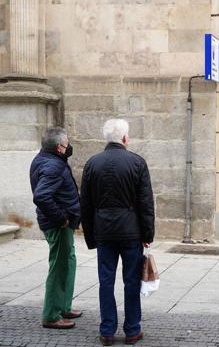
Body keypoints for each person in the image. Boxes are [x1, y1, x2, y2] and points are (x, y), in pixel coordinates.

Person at [80, 119, 155, 346]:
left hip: (104, 231)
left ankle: (107, 330)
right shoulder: (137, 162)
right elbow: (145, 203)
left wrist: (90, 237)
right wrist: (148, 234)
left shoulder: (92, 163)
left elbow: (86, 204)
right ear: (125, 138)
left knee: (105, 281)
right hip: (131, 231)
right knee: (131, 280)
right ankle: (132, 330)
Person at [30, 127, 82, 329]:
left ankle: (63, 306)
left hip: (60, 223)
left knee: (68, 262)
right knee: (59, 267)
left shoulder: (47, 160)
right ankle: (52, 315)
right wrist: (61, 218)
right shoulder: (53, 166)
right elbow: (41, 196)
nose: (69, 147)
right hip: (57, 224)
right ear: (59, 147)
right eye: (67, 143)